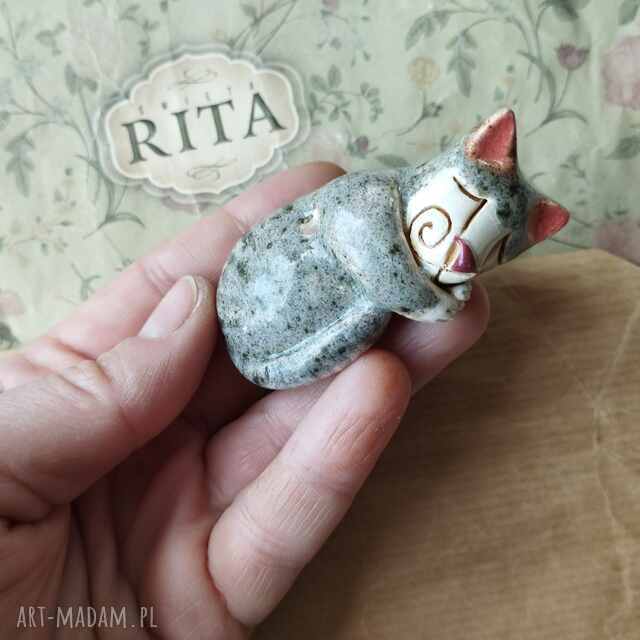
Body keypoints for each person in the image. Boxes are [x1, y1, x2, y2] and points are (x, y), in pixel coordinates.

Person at [0, 163, 488, 638]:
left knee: (366, 385)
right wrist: (437, 301)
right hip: (260, 323)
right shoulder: (370, 197)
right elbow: (384, 272)